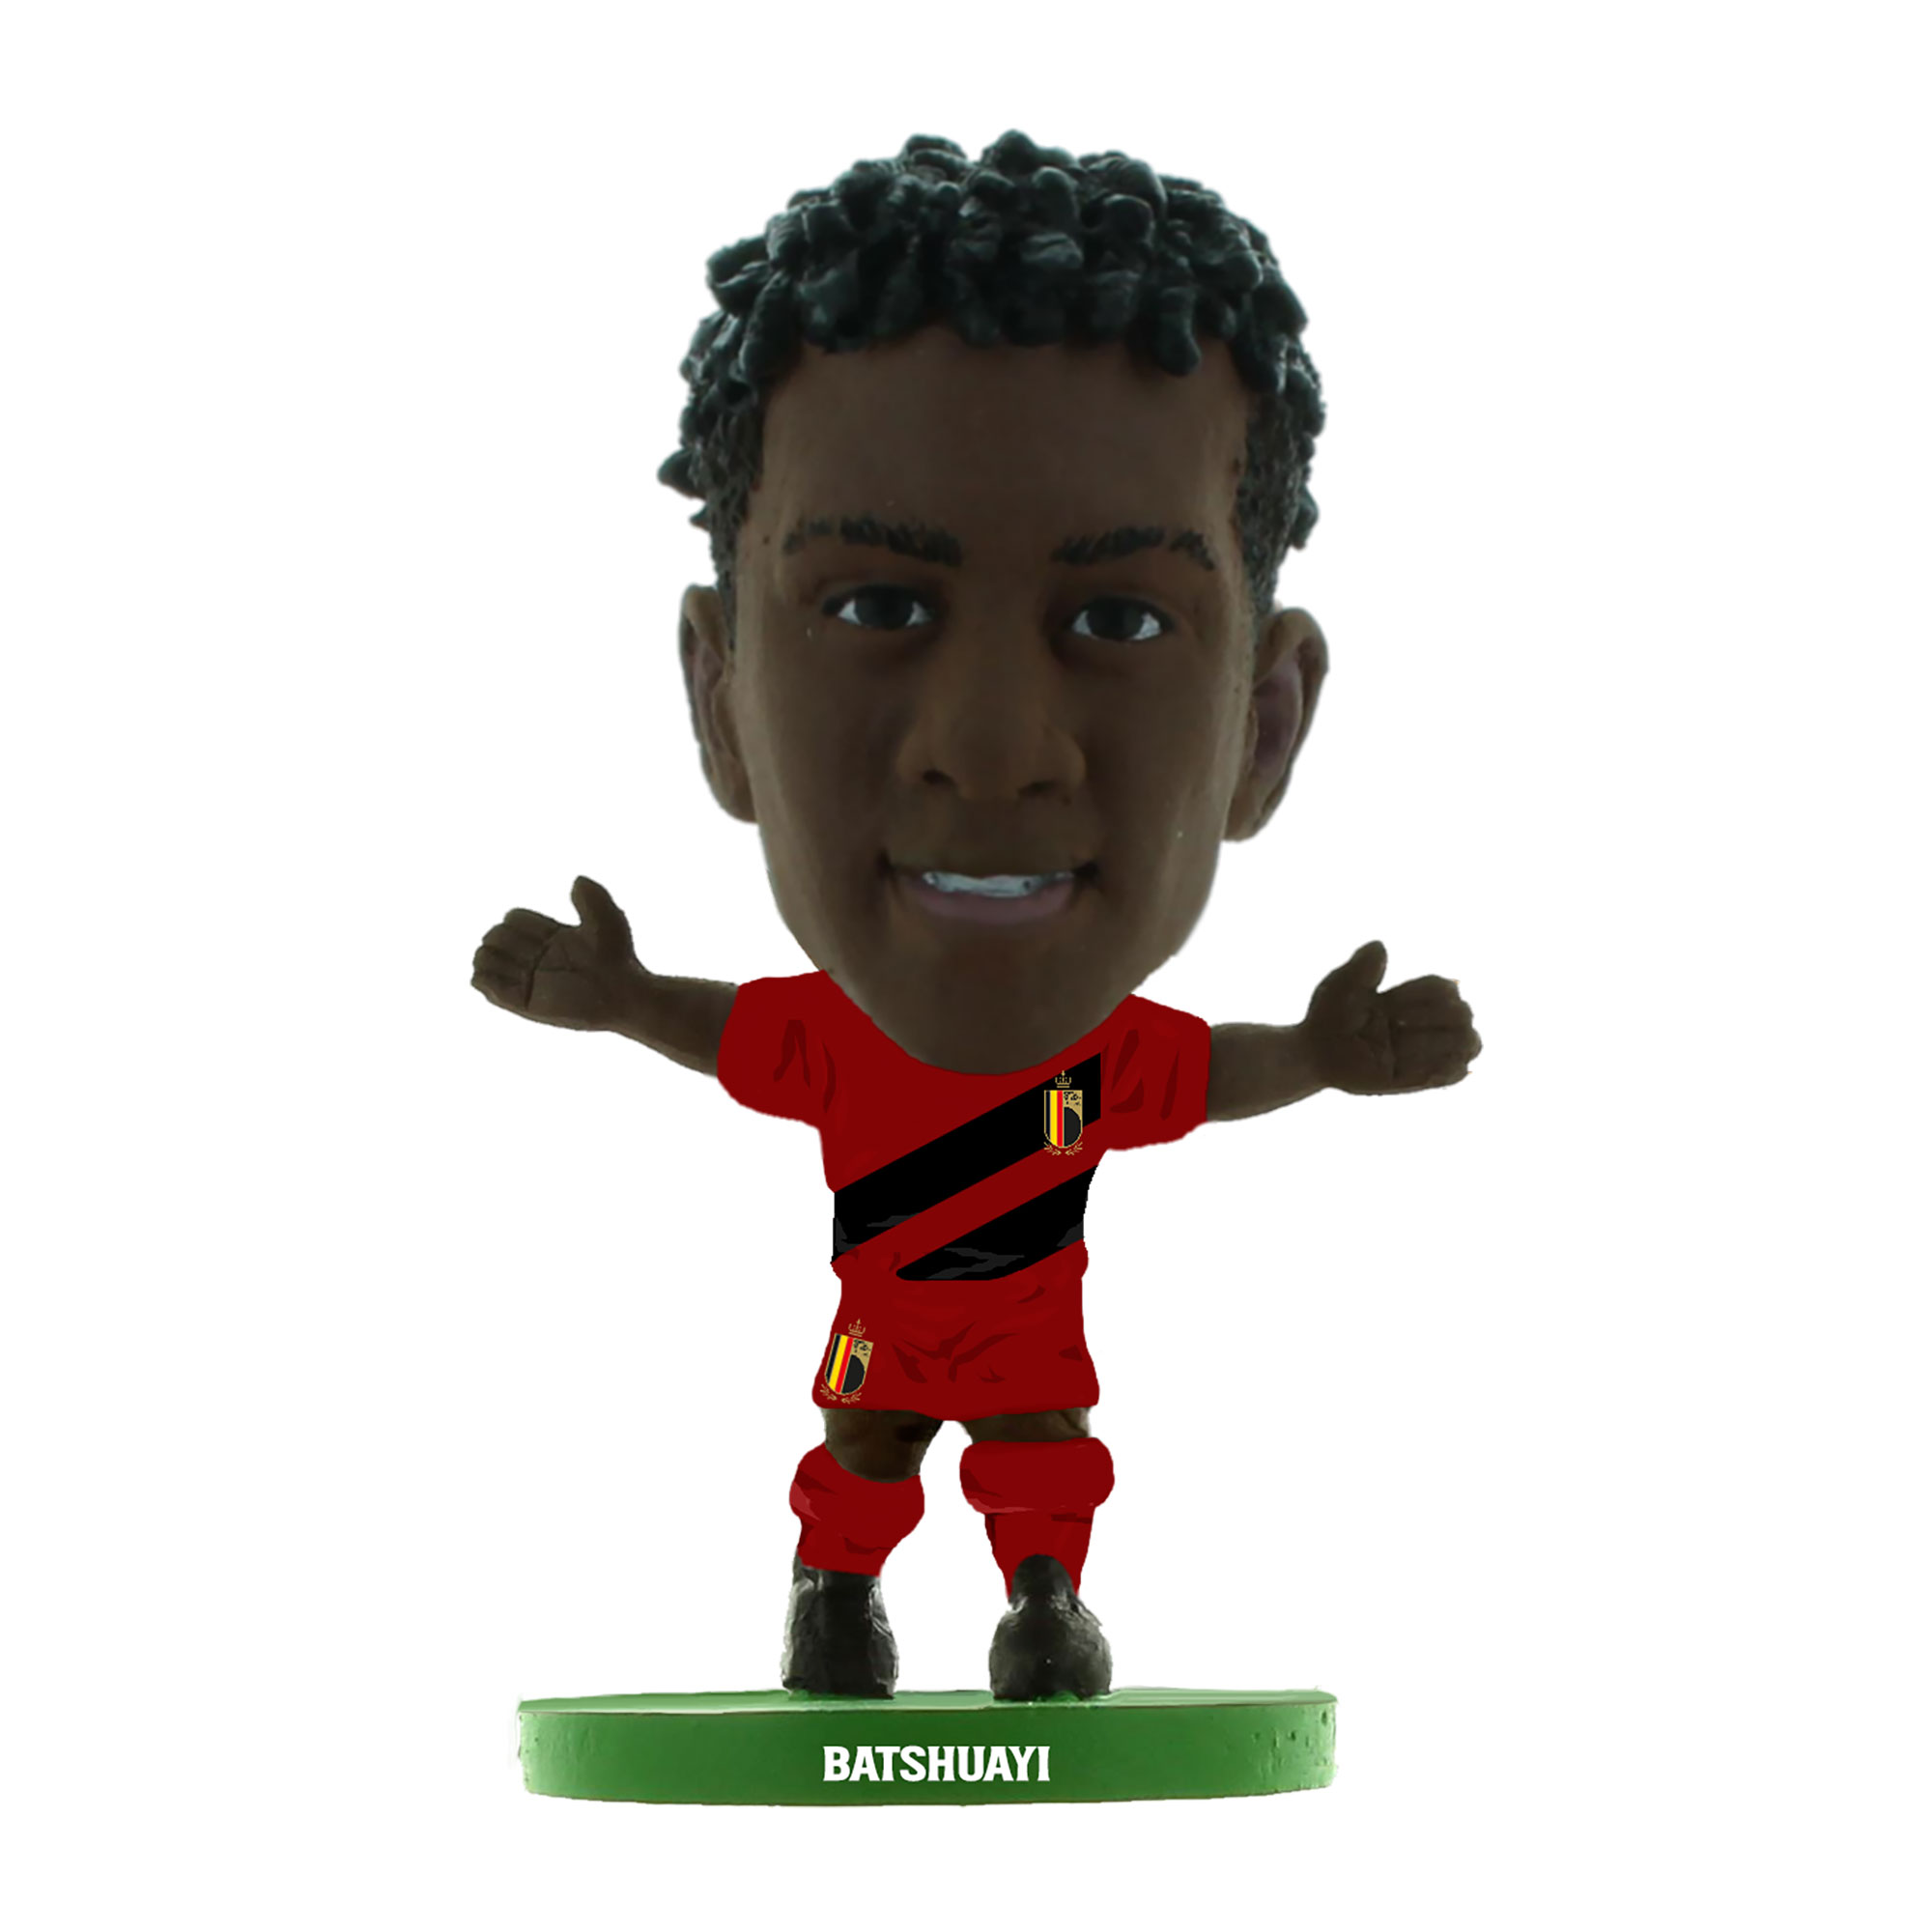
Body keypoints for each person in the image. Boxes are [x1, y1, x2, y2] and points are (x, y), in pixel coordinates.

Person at [470, 129, 1480, 1700]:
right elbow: (713, 1030)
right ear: (721, 702)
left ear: (1263, 728)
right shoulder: (826, 1040)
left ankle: (1040, 1603)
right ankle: (836, 1593)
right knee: (860, 1439)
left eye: (1120, 618)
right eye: (877, 606)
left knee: (1040, 1453)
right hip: (885, 1319)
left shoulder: (1109, 1064)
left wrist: (1324, 1053)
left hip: (1017, 1331)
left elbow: (1221, 1074)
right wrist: (618, 996)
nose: (997, 750)